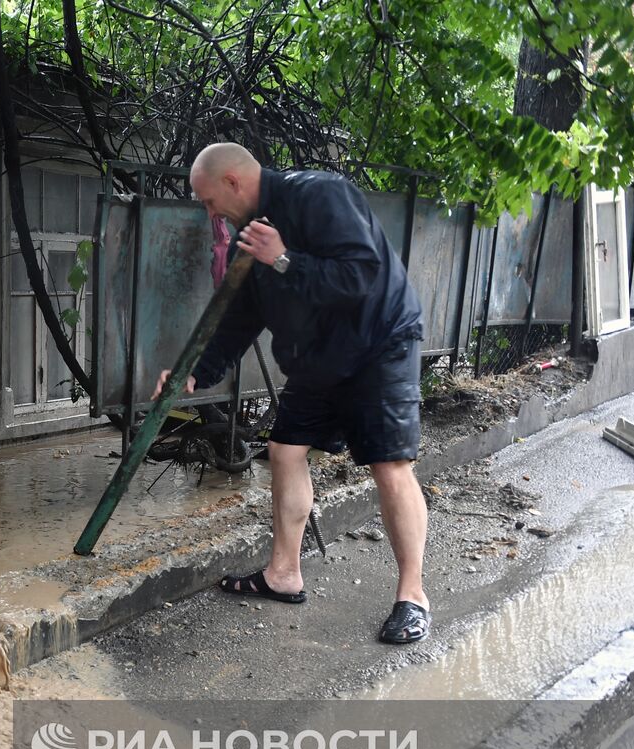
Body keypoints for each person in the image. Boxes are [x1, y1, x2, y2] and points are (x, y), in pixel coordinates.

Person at [152, 142, 431, 644]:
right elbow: (238, 320)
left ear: (233, 183)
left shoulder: (321, 195)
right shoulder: (249, 236)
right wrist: (193, 372)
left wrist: (283, 260)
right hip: (318, 355)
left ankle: (412, 596)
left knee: (389, 464)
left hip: (378, 343)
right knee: (284, 450)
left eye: (208, 199)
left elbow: (362, 275)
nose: (207, 211)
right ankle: (284, 574)